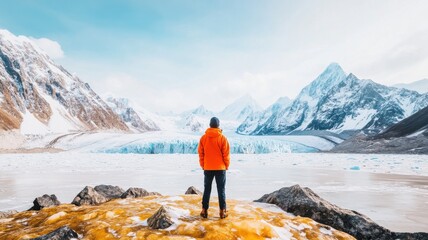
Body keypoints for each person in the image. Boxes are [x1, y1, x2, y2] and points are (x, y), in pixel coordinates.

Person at [198, 117, 230, 219]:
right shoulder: (222, 138)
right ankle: (222, 212)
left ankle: (204, 211)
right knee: (221, 189)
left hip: (208, 167)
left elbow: (201, 153)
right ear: (218, 125)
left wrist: (203, 165)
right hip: (220, 168)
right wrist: (226, 165)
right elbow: (226, 154)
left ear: (210, 125)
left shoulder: (203, 138)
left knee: (207, 189)